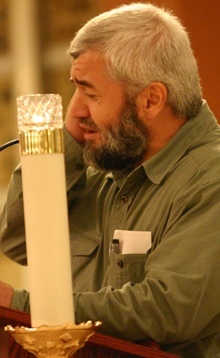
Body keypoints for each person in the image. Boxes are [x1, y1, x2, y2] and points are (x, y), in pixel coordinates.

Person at [1, 3, 220, 356]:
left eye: (90, 93)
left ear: (151, 99)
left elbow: (169, 310)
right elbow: (19, 243)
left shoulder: (211, 180)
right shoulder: (103, 168)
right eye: (76, 89)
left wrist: (21, 305)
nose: (74, 110)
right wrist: (68, 144)